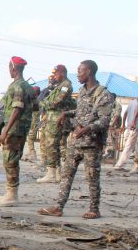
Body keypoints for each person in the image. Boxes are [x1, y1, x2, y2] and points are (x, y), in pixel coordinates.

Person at [39, 61, 113, 219]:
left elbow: (105, 120)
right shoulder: (82, 91)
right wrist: (67, 113)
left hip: (92, 143)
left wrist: (87, 128)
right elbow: (80, 111)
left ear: (89, 72)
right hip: (76, 142)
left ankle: (94, 209)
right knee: (67, 174)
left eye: (80, 71)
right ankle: (58, 207)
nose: (78, 74)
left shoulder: (103, 94)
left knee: (92, 177)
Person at [0, 56, 34, 207]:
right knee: (13, 160)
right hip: (22, 128)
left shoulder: (17, 86)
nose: (9, 71)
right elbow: (36, 106)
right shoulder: (28, 87)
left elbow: (17, 108)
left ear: (14, 68)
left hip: (14, 128)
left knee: (10, 161)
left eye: (9, 68)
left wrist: (5, 130)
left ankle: (12, 195)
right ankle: (11, 193)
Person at [37, 65, 75, 183]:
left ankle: (51, 173)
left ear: (62, 73)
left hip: (56, 118)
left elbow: (57, 101)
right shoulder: (58, 85)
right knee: (53, 145)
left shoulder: (65, 85)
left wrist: (43, 103)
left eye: (56, 74)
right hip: (51, 117)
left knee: (51, 145)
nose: (54, 76)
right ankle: (57, 173)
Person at [113, 97, 138, 172]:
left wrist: (123, 125)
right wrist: (134, 121)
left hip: (130, 127)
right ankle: (134, 167)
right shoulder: (135, 103)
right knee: (130, 147)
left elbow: (125, 114)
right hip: (135, 127)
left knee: (128, 146)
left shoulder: (132, 102)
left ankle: (120, 164)